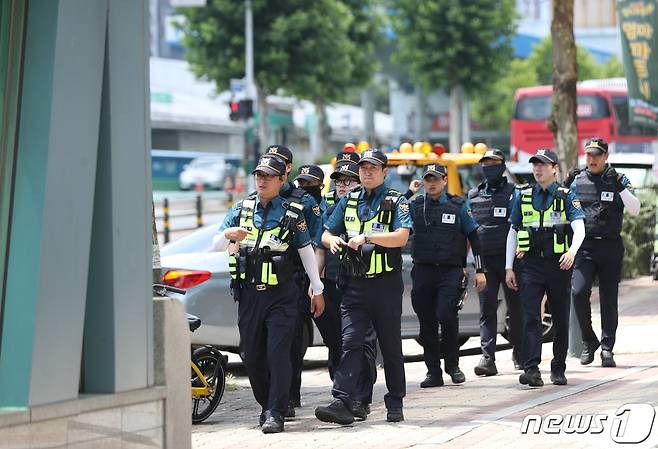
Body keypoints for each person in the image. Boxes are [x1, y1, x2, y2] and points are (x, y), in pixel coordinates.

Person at [213, 155, 325, 433]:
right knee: (251, 354)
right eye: (259, 175)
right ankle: (266, 404)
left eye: (268, 176)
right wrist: (230, 234)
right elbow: (216, 242)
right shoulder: (242, 209)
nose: (262, 180)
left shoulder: (292, 212)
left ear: (282, 180)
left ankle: (276, 410)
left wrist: (317, 288)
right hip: (249, 294)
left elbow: (306, 252)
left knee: (278, 353)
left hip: (282, 295)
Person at [315, 149, 412, 424]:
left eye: (373, 168)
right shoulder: (348, 201)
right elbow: (326, 231)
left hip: (385, 285)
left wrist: (369, 236)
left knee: (390, 345)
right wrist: (330, 241)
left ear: (384, 172)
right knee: (350, 341)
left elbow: (402, 237)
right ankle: (344, 400)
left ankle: (395, 401)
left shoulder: (396, 201)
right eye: (363, 168)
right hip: (355, 284)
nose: (367, 172)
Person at [505, 148, 586, 387]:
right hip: (530, 264)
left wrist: (571, 252)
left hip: (559, 265)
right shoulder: (523, 195)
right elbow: (513, 231)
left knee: (560, 318)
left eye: (543, 164)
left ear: (554, 168)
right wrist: (509, 266)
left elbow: (580, 227)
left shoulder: (565, 195)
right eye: (535, 164)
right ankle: (531, 368)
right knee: (531, 316)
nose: (538, 169)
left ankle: (558, 368)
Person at [408, 163, 486, 388]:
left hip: (450, 271)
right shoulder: (415, 205)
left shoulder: (458, 205)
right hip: (423, 270)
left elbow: (474, 237)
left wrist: (480, 270)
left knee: (447, 315)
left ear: (444, 180)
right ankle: (433, 371)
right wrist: (409, 192)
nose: (431, 183)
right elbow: (394, 210)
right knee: (427, 323)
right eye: (427, 179)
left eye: (435, 179)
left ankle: (452, 365)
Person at [314, 159, 378, 419]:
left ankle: (361, 398)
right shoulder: (329, 208)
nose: (342, 186)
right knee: (337, 342)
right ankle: (342, 393)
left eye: (348, 181)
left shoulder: (368, 206)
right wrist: (315, 282)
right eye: (338, 181)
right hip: (332, 282)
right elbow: (320, 242)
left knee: (361, 342)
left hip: (363, 282)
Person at [569, 138, 640, 368]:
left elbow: (635, 209)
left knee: (609, 300)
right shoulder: (577, 180)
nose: (592, 159)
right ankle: (590, 339)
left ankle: (607, 347)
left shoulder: (618, 179)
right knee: (578, 292)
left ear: (606, 156)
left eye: (597, 155)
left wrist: (619, 186)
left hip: (610, 246)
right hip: (584, 246)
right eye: (588, 154)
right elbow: (563, 209)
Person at [264, 145, 322, 417]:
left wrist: (315, 282)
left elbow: (313, 243)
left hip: (294, 279)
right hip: (263, 282)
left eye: (279, 164)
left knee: (291, 341)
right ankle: (275, 396)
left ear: (287, 169)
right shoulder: (257, 199)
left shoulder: (304, 201)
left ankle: (289, 397)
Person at [468, 149, 524, 376]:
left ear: (502, 166)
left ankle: (520, 353)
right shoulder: (474, 195)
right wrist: (467, 264)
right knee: (487, 309)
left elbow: (521, 224)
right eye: (485, 163)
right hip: (485, 262)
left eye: (494, 163)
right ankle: (487, 358)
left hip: (511, 261)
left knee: (516, 309)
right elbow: (469, 231)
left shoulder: (514, 193)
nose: (489, 167)